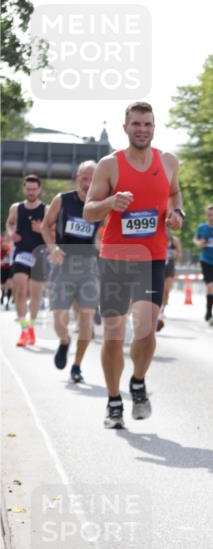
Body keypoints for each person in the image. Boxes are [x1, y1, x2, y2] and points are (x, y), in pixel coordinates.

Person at [84, 102, 184, 429]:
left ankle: (137, 382)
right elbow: (89, 212)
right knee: (113, 334)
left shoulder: (168, 162)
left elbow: (175, 194)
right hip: (115, 258)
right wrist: (111, 203)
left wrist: (177, 214)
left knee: (146, 327)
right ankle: (114, 401)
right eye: (136, 124)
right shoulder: (109, 165)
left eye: (148, 124)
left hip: (152, 256)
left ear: (154, 127)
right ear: (125, 127)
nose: (142, 129)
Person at [41, 160, 100, 382]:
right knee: (59, 316)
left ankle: (77, 366)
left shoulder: (100, 205)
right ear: (77, 178)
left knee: (87, 318)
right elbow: (46, 226)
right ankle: (64, 341)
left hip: (88, 267)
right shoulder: (62, 200)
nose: (87, 183)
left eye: (92, 179)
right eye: (84, 178)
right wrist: (52, 247)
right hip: (63, 263)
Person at [5, 175, 49, 347]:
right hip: (22, 253)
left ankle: (31, 327)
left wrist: (42, 229)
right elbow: (9, 224)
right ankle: (24, 331)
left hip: (40, 254)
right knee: (20, 292)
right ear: (24, 189)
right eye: (28, 189)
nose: (31, 192)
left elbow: (53, 233)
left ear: (39, 190)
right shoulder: (16, 208)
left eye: (34, 189)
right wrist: (10, 234)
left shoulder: (46, 210)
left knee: (35, 296)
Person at [157, 229, 182, 331]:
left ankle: (162, 310)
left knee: (166, 291)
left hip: (169, 267)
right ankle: (157, 309)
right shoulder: (157, 238)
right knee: (158, 290)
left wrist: (175, 253)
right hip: (159, 266)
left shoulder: (174, 240)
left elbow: (179, 254)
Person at [1, 233, 14, 309]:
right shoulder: (1, 250)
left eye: (7, 241)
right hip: (2, 268)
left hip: (11, 268)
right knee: (3, 285)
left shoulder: (12, 249)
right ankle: (2, 296)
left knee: (9, 285)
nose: (5, 243)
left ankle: (8, 301)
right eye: (4, 241)